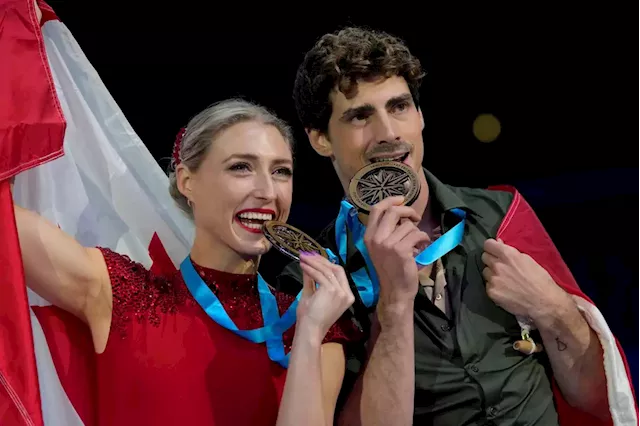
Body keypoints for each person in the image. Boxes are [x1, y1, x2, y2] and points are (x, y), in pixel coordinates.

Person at [277, 27, 638, 425]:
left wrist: (550, 308)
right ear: (320, 139)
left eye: (399, 107)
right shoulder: (315, 278)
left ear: (420, 115)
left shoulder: (502, 216)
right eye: (361, 116)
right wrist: (393, 305)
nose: (389, 133)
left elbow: (591, 396)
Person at [13, 98, 361, 425]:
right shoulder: (118, 294)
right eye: (241, 167)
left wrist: (310, 334)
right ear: (187, 181)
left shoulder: (313, 325)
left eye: (281, 171)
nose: (268, 191)